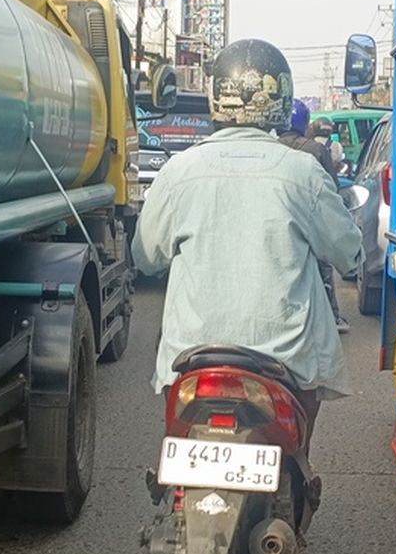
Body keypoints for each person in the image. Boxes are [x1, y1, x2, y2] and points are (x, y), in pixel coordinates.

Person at [132, 39, 362, 447]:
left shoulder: (178, 172)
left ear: (216, 96)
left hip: (192, 357)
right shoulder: (303, 173)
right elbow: (348, 254)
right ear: (281, 98)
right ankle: (296, 472)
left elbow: (145, 258)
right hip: (286, 363)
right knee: (295, 450)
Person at [279, 99, 349, 333]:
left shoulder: (272, 147)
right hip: (310, 222)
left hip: (278, 223)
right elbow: (332, 189)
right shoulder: (317, 151)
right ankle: (333, 317)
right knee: (324, 267)